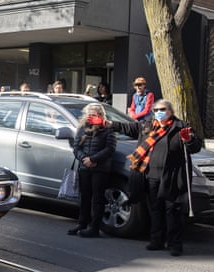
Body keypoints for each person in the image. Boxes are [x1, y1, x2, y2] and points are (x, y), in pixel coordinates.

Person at [109, 99, 200, 256]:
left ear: (170, 111)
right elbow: (128, 127)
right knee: (156, 209)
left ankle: (174, 244)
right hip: (152, 175)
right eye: (156, 109)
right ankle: (156, 240)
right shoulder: (148, 125)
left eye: (163, 109)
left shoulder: (181, 127)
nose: (159, 112)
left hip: (172, 176)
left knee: (173, 211)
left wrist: (188, 140)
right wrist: (108, 123)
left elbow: (195, 147)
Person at [67, 103, 116, 238]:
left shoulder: (107, 130)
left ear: (100, 116)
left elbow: (110, 149)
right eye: (89, 114)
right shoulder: (82, 128)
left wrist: (94, 159)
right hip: (84, 167)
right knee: (85, 197)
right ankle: (82, 223)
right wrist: (84, 159)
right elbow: (76, 148)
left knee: (97, 199)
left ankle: (94, 227)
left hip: (100, 169)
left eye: (94, 115)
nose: (91, 117)